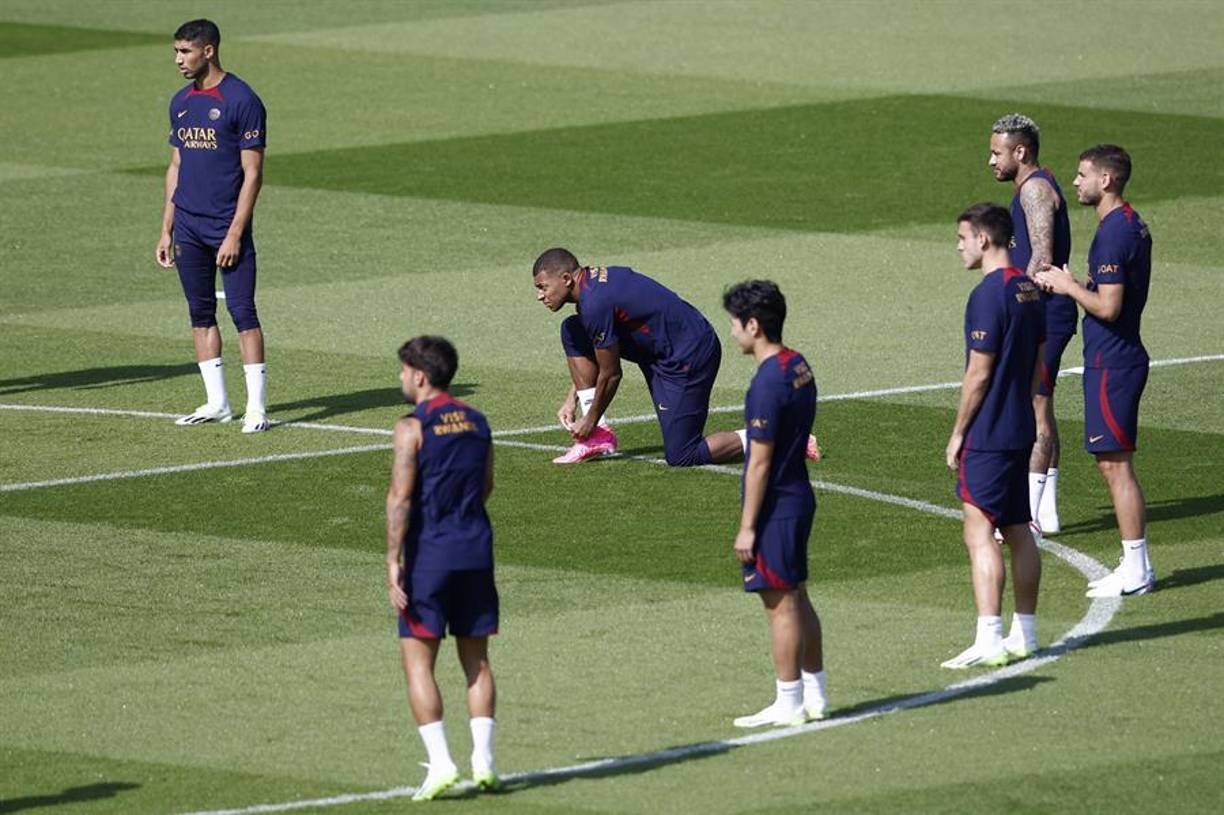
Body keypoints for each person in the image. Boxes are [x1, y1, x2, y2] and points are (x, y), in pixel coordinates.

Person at [532, 248, 819, 466]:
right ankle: (598, 438)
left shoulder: (595, 302)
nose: (540, 296)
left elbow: (612, 373)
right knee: (573, 330)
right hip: (658, 348)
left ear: (567, 278)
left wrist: (589, 418)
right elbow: (599, 345)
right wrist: (574, 398)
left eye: (543, 287)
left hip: (688, 357)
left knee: (682, 454)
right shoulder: (591, 290)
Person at [1035, 145, 1155, 598]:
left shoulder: (1113, 234)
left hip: (1114, 361)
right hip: (1117, 356)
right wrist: (1079, 285)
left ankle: (1137, 567)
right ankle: (1132, 562)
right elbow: (1109, 293)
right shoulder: (1129, 224)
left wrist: (1066, 287)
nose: (1076, 182)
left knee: (1115, 467)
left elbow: (1109, 306)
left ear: (1106, 180)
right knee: (1113, 464)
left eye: (1083, 174)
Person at [385, 336, 500, 800]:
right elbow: (487, 482)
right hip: (476, 549)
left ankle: (441, 765)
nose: (400, 378)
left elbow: (400, 497)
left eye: (403, 370)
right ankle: (485, 762)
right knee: (477, 662)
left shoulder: (412, 426)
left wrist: (393, 559)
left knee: (418, 662)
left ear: (420, 375)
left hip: (430, 555)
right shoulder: (478, 420)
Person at [943, 204, 1045, 669]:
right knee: (1018, 528)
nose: (959, 245)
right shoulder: (1029, 289)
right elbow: (1039, 359)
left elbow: (978, 374)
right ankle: (1025, 634)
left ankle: (988, 638)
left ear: (984, 240)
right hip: (1021, 424)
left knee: (979, 529)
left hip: (989, 431)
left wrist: (958, 432)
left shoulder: (988, 295)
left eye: (963, 237)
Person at [155, 19, 269, 432]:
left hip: (225, 226)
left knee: (243, 312)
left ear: (209, 50)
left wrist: (235, 232)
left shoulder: (242, 99)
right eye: (175, 51)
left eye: (184, 51)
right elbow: (176, 165)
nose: (178, 60)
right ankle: (217, 402)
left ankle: (256, 407)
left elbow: (253, 173)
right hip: (187, 226)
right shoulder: (180, 102)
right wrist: (166, 227)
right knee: (200, 313)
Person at [722, 281, 827, 727]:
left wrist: (748, 526)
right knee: (798, 596)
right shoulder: (798, 364)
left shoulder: (767, 383)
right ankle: (816, 694)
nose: (731, 333)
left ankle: (789, 701)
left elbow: (759, 463)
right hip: (799, 495)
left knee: (779, 605)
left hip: (777, 505)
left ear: (753, 325)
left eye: (734, 323)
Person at [989, 113, 1076, 533]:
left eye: (996, 152)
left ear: (1020, 151)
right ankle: (1047, 511)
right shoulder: (1033, 187)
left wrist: (1011, 304)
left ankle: (1028, 516)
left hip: (1044, 313)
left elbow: (1040, 258)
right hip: (1047, 311)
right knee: (1042, 403)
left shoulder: (1035, 190)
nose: (991, 161)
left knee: (1034, 407)